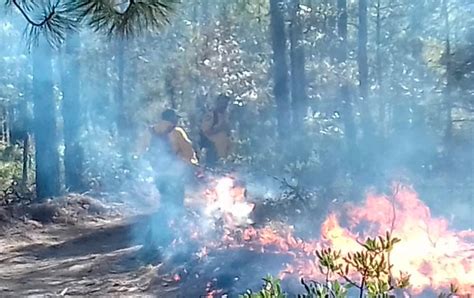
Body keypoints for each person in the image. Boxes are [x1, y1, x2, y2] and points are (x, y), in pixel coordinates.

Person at [137, 109, 198, 260]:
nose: (177, 121)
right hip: (174, 177)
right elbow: (189, 154)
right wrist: (191, 164)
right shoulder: (176, 132)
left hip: (159, 176)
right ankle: (172, 240)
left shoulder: (149, 132)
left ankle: (158, 239)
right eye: (176, 118)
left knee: (164, 204)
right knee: (176, 207)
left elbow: (138, 152)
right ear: (171, 119)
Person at [199, 94, 232, 167]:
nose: (224, 105)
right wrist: (220, 128)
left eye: (226, 103)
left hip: (223, 157)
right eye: (222, 103)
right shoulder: (211, 115)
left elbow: (227, 134)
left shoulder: (226, 116)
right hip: (212, 154)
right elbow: (205, 132)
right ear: (217, 102)